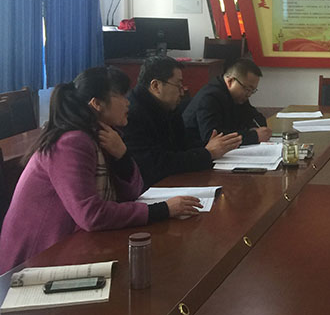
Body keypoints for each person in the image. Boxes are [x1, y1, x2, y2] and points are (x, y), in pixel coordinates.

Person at [0, 67, 202, 273]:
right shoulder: (71, 142)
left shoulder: (103, 136)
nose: (128, 102)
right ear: (97, 103)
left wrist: (122, 156)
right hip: (33, 261)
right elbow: (91, 214)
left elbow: (133, 193)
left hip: (72, 244)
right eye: (121, 95)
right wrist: (163, 209)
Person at [123, 57, 241, 188]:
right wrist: (207, 153)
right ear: (156, 86)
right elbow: (155, 164)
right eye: (178, 85)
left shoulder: (168, 106)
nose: (182, 90)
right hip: (148, 189)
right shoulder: (131, 115)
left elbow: (183, 145)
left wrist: (214, 146)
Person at [183, 58, 270, 146]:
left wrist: (260, 129)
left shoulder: (239, 97)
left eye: (252, 90)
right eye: (247, 89)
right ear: (230, 81)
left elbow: (255, 117)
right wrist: (253, 136)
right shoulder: (209, 97)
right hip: (194, 148)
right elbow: (212, 137)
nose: (249, 94)